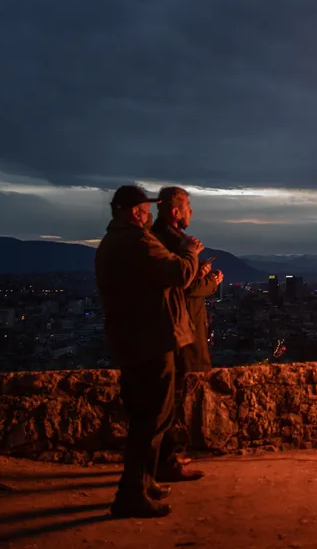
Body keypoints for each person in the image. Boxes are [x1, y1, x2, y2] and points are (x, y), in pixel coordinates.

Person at [95, 185, 203, 518]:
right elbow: (178, 273)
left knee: (147, 417)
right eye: (143, 210)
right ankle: (132, 494)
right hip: (150, 340)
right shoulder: (137, 242)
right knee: (152, 418)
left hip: (133, 339)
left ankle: (144, 482)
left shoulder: (112, 243)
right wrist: (191, 253)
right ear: (132, 211)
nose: (147, 215)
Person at [153, 186, 224, 480]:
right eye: (188, 207)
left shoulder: (158, 239)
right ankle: (169, 461)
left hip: (170, 328)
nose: (191, 213)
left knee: (170, 397)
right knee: (174, 398)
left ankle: (165, 459)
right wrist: (211, 282)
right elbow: (188, 286)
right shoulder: (175, 242)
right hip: (179, 330)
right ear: (175, 211)